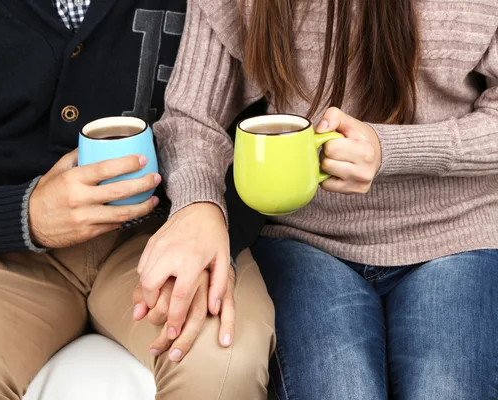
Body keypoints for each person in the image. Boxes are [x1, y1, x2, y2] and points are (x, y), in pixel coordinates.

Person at [0, 0, 275, 399]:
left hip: (169, 235)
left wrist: (208, 219)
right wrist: (25, 216)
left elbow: (270, 124)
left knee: (222, 364)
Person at [145, 0, 498, 398]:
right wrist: (199, 205)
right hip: (303, 239)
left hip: (458, 234)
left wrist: (393, 149)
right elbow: (192, 118)